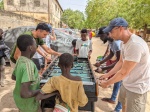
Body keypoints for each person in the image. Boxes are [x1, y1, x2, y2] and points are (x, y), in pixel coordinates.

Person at [99, 17, 150, 112]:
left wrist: (107, 83)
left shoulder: (135, 45)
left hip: (137, 88)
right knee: (124, 107)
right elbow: (120, 62)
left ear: (120, 28)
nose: (109, 34)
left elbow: (123, 72)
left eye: (111, 31)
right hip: (127, 83)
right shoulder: (124, 43)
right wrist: (107, 75)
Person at [11, 34, 57, 112]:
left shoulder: (20, 59)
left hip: (18, 99)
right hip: (28, 104)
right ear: (31, 47)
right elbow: (25, 94)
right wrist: (42, 90)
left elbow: (14, 77)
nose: (36, 47)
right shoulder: (29, 65)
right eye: (36, 45)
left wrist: (35, 80)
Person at [95, 26, 122, 112]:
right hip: (119, 65)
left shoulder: (117, 43)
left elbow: (119, 62)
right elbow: (111, 54)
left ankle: (118, 108)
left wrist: (103, 68)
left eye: (101, 36)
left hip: (124, 66)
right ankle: (113, 99)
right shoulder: (111, 42)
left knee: (121, 86)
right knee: (117, 82)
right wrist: (101, 62)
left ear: (107, 34)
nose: (101, 38)